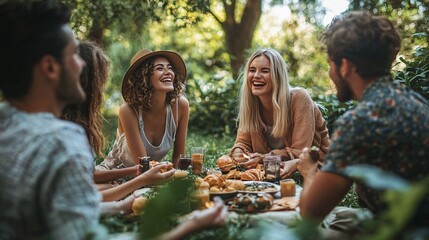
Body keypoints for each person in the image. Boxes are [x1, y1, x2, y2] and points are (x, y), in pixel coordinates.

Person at [298, 11, 429, 237]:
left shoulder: (361, 120)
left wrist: (309, 171)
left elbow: (310, 214)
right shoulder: (416, 101)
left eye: (330, 64)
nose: (330, 72)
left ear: (345, 66)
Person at [0, 1, 100, 239]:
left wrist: (120, 205)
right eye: (74, 53)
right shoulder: (61, 142)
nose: (82, 63)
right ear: (50, 67)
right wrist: (190, 226)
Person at [62, 41, 175, 202]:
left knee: (113, 190)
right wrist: (134, 174)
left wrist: (133, 173)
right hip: (106, 181)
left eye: (169, 67)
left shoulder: (81, 120)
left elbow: (83, 177)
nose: (103, 86)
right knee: (109, 190)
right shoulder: (69, 126)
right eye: (101, 78)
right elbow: (79, 185)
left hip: (124, 179)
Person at [229, 48, 330, 178]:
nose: (256, 75)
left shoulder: (299, 99)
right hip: (273, 171)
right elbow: (242, 143)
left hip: (318, 168)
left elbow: (300, 152)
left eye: (265, 71)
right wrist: (238, 151)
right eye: (252, 70)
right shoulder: (251, 105)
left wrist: (265, 157)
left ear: (278, 76)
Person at [97, 49, 189, 171]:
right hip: (115, 173)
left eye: (170, 68)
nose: (168, 72)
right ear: (143, 77)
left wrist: (179, 177)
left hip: (151, 177)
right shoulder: (128, 110)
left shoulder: (180, 106)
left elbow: (178, 158)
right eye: (160, 68)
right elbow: (142, 165)